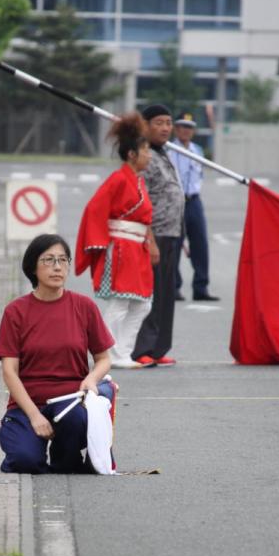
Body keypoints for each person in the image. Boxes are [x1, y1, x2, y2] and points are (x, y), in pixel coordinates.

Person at [0, 233, 115, 473]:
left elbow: (104, 359)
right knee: (24, 461)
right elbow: (9, 372)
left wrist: (91, 379)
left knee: (68, 460)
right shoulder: (16, 311)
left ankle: (66, 453)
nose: (57, 267)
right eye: (48, 260)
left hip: (71, 402)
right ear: (33, 267)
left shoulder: (84, 306)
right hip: (28, 403)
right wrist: (34, 416)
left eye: (62, 260)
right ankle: (30, 443)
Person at [75, 111, 157, 368]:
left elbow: (144, 219)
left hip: (137, 247)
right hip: (122, 248)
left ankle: (122, 352)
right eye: (145, 151)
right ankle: (107, 353)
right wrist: (101, 241)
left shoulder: (137, 181)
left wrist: (150, 243)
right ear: (132, 154)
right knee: (120, 303)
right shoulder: (118, 179)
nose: (149, 155)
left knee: (142, 305)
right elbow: (94, 209)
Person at [130, 103, 185, 367]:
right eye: (159, 123)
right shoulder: (145, 156)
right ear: (145, 126)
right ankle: (142, 348)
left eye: (168, 123)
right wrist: (149, 239)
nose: (165, 128)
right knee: (150, 294)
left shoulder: (164, 153)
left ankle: (159, 347)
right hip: (155, 234)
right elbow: (142, 201)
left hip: (172, 233)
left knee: (166, 294)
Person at [167, 112, 220, 303]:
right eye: (182, 126)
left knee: (200, 244)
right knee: (174, 244)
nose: (186, 130)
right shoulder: (168, 150)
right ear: (176, 129)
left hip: (194, 200)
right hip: (175, 201)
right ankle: (174, 287)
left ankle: (201, 287)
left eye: (189, 127)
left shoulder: (197, 150)